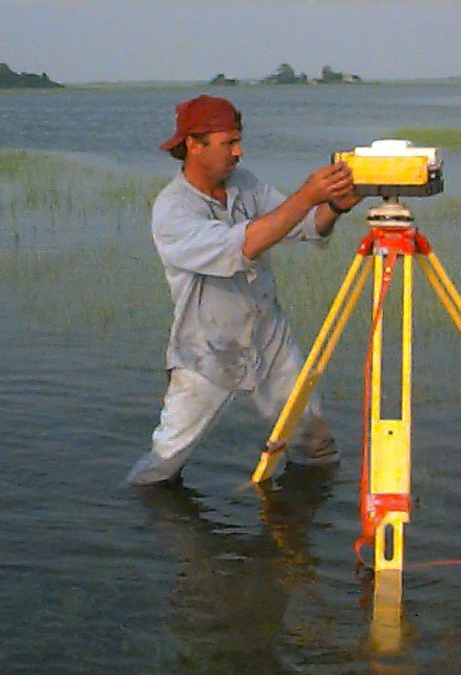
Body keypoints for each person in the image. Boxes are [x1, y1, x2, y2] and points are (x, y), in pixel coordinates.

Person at [128, 94, 361, 485]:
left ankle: (302, 523)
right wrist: (307, 195)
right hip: (207, 350)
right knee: (162, 466)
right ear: (193, 145)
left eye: (239, 140)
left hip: (270, 340)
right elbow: (243, 247)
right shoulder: (173, 210)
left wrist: (336, 205)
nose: (239, 152)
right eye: (228, 143)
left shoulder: (245, 185)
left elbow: (301, 226)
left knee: (315, 448)